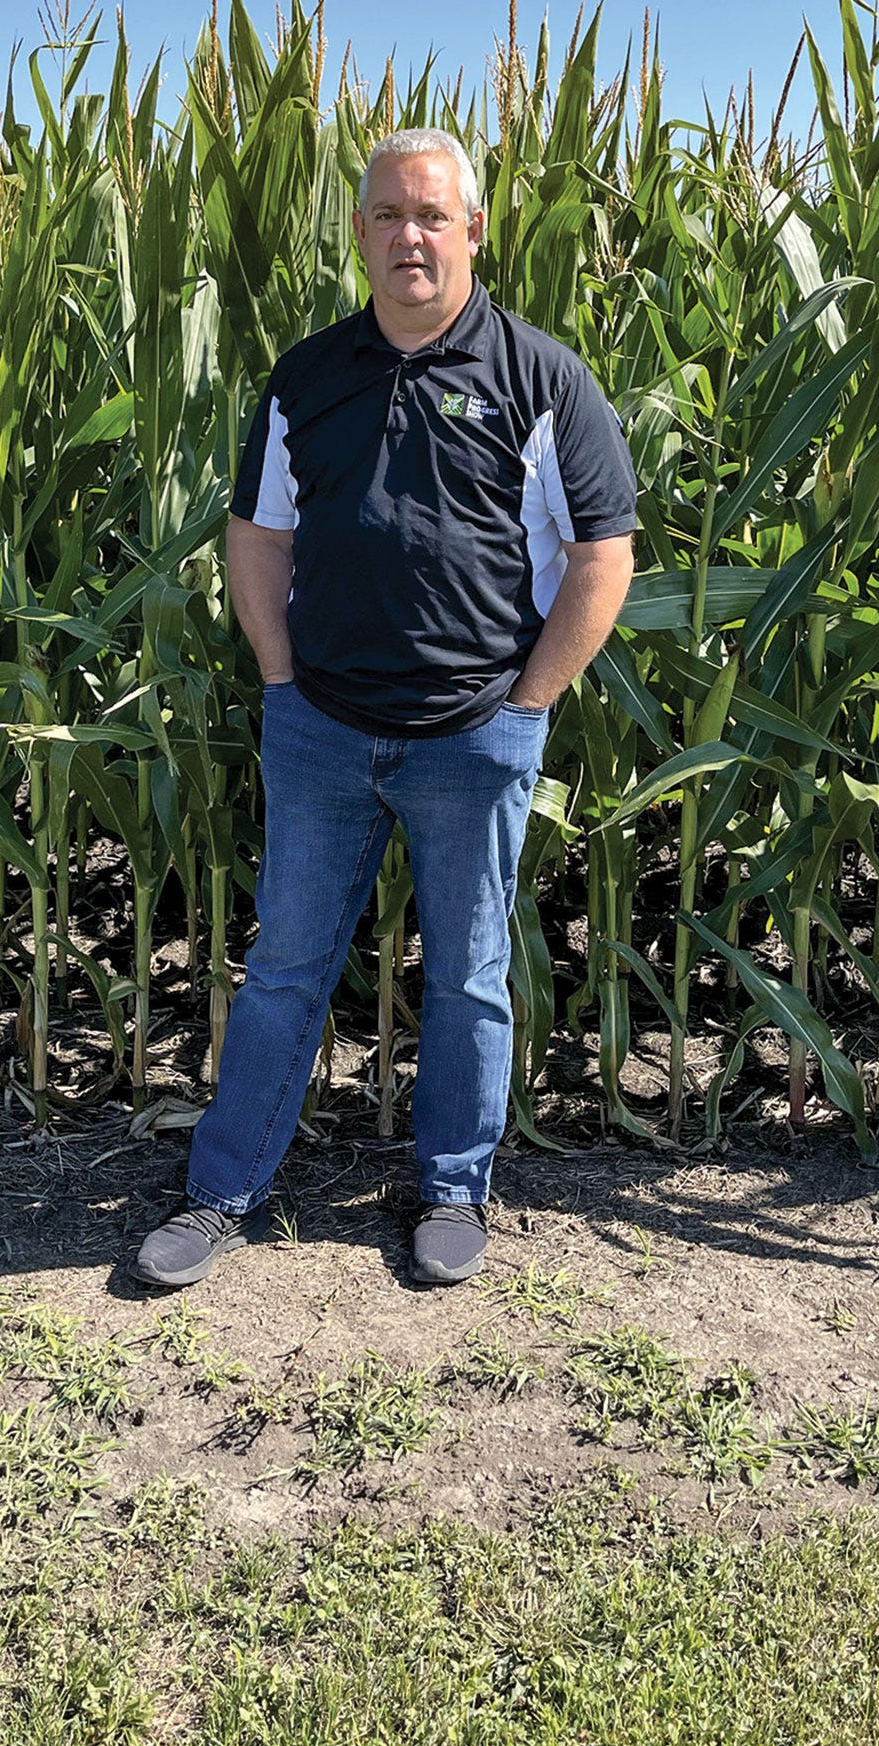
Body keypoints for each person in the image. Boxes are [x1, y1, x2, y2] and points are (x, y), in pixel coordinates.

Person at [133, 128, 637, 1290]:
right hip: (321, 729)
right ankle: (221, 1193)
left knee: (465, 975)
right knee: (286, 969)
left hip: (472, 735)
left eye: (431, 216)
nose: (410, 236)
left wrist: (527, 705)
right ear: (359, 233)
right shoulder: (308, 376)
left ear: (472, 230)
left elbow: (605, 555)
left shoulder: (541, 379)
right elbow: (258, 534)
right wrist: (276, 677)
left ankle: (454, 1188)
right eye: (387, 216)